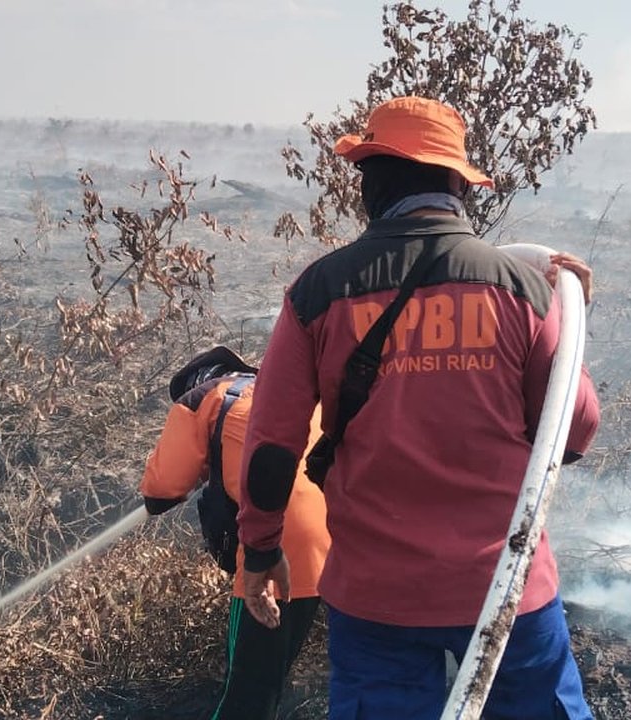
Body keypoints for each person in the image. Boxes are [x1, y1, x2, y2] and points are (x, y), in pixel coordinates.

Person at [235, 96, 601, 720]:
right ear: (458, 184)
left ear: (370, 183)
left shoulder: (319, 291)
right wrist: (568, 322)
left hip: (379, 600)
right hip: (506, 590)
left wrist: (262, 550)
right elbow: (574, 432)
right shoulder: (525, 290)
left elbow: (271, 447)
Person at [139, 346, 331, 720]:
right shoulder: (288, 390)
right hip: (343, 541)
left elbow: (161, 491)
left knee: (247, 694)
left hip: (279, 549)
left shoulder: (202, 399)